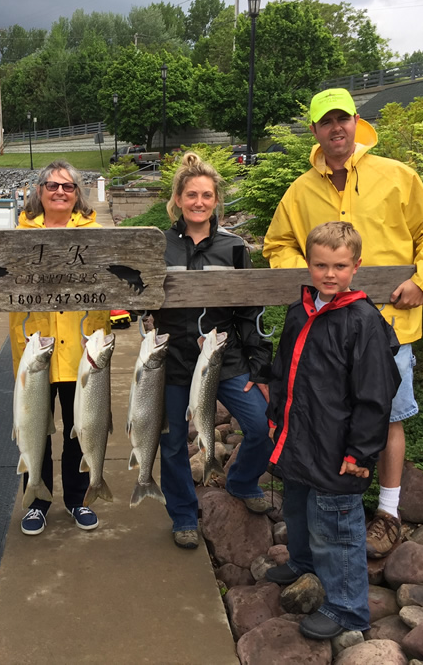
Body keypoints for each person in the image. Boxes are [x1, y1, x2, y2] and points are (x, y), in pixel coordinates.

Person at [264, 88, 423, 558]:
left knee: (387, 416)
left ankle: (388, 514)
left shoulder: (396, 176)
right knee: (328, 416)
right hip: (324, 333)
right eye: (325, 122)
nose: (336, 128)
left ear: (356, 121)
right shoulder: (299, 191)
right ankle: (332, 505)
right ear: (313, 130)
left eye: (342, 119)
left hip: (390, 325)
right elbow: (277, 244)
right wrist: (311, 285)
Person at [264, 221, 401, 639]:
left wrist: (361, 453)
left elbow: (376, 396)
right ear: (308, 264)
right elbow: (282, 372)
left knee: (337, 530)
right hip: (298, 441)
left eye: (339, 266)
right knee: (298, 511)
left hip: (337, 449)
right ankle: (303, 564)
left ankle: (347, 608)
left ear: (356, 266)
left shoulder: (363, 322)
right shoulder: (298, 312)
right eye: (321, 264)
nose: (329, 274)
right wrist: (275, 420)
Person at [152, 152, 274, 550]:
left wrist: (259, 368)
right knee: (171, 442)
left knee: (260, 425)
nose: (199, 202)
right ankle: (184, 514)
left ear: (217, 199)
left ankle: (241, 479)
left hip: (227, 357)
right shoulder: (158, 246)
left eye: (206, 195)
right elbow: (142, 300)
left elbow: (251, 311)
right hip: (173, 359)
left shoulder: (235, 247)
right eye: (191, 195)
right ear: (178, 198)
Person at [8, 160, 110, 536]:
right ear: (40, 191)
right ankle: (37, 501)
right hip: (33, 353)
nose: (60, 192)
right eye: (52, 186)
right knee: (33, 429)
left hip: (82, 354)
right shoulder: (16, 237)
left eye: (68, 187)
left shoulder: (98, 235)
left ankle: (77, 498)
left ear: (77, 193)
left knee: (79, 427)